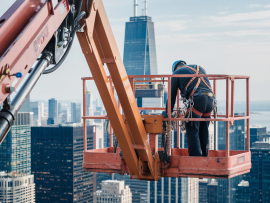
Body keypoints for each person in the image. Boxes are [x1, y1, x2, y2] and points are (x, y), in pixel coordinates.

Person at [165, 60, 214, 157]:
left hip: (198, 100)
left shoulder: (176, 73)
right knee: (203, 130)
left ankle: (196, 160)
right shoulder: (199, 68)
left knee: (192, 131)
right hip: (210, 100)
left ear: (175, 69)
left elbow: (172, 96)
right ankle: (205, 158)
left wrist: (168, 115)